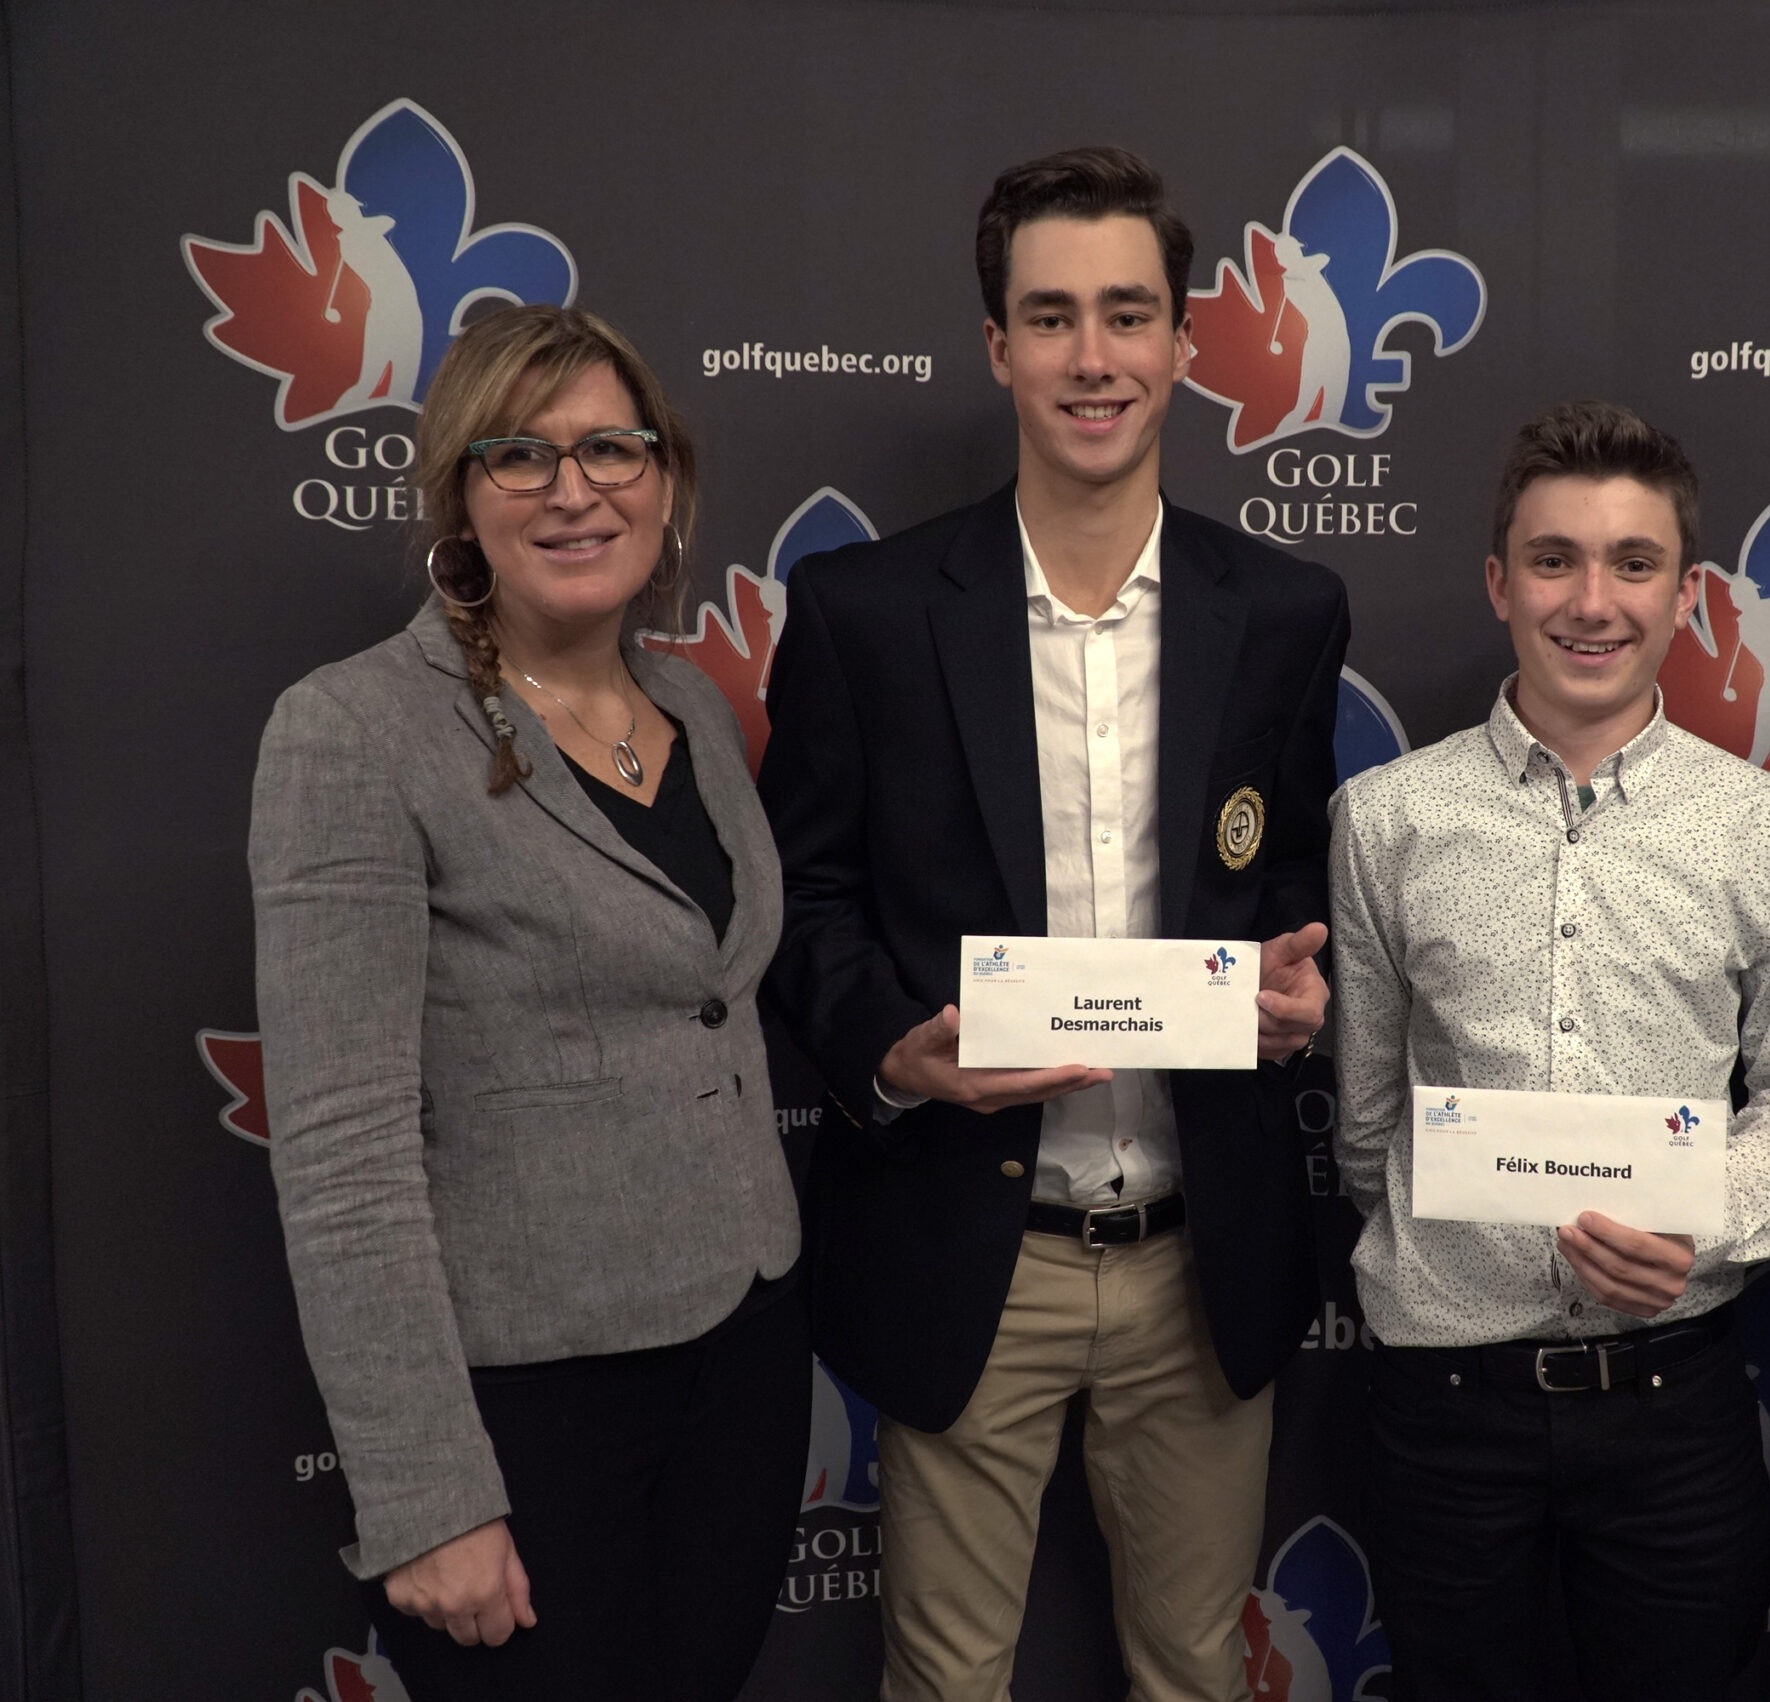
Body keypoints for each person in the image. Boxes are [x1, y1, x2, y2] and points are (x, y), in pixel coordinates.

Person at [757, 146, 1348, 1702]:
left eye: (1129, 314)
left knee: (1195, 1676)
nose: (1095, 358)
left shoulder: (1283, 609)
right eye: (1054, 316)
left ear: (1184, 342)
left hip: (1196, 1250)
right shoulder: (865, 612)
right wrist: (888, 1045)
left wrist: (1296, 983)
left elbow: (1284, 876)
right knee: (945, 1678)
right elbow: (802, 902)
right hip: (970, 1241)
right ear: (999, 347)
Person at [250, 304, 807, 1702]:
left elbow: (707, 999)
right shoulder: (354, 730)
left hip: (741, 1356)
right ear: (457, 493)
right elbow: (340, 1155)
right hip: (529, 1411)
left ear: (665, 483)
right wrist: (430, 1492)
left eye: (612, 448)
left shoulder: (688, 705)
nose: (575, 490)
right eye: (521, 454)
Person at [1327, 400, 1770, 1701]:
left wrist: (1707, 1224)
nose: (1592, 599)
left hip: (1675, 1399)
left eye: (1633, 562)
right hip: (1444, 1397)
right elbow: (1367, 1114)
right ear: (1501, 580)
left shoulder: (1766, 829)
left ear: (1685, 591)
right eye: (1555, 558)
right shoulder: (1388, 818)